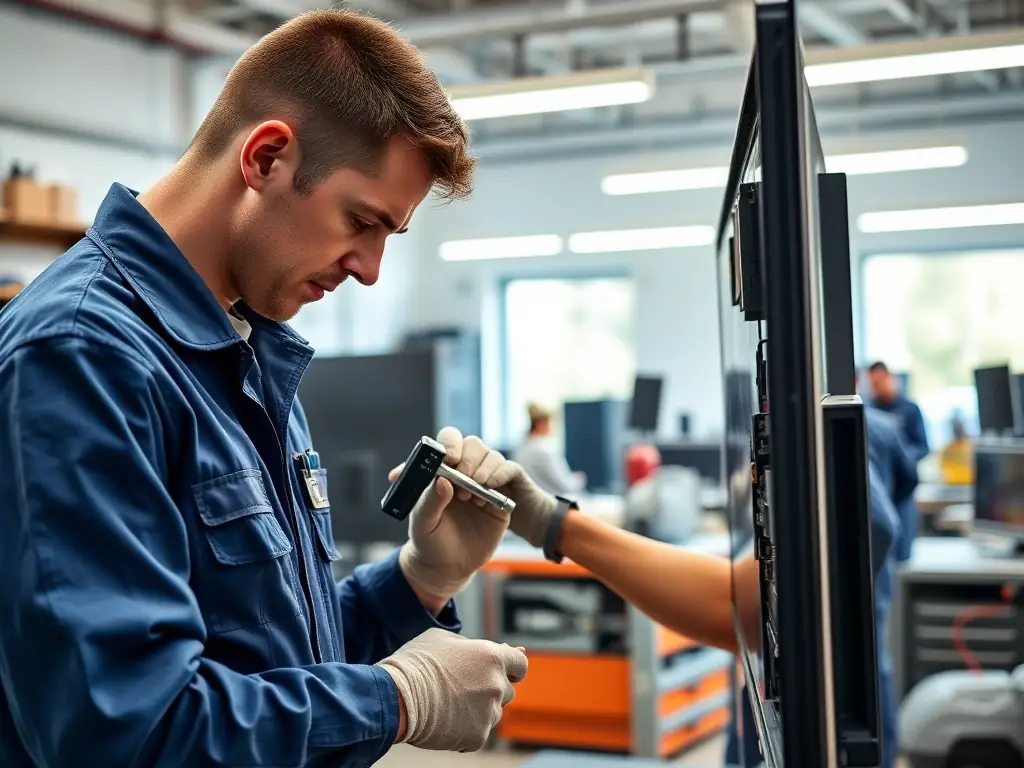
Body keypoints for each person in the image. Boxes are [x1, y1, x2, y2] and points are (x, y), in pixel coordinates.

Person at [0, 11, 528, 766]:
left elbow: (272, 654)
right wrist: (399, 698)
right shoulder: (80, 358)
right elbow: (123, 734)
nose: (370, 269)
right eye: (361, 221)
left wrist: (416, 582)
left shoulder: (248, 349)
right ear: (267, 156)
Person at [867, 362, 929, 561]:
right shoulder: (869, 411)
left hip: (900, 489)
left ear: (889, 379)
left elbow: (923, 446)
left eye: (879, 383)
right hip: (879, 488)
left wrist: (903, 457)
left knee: (901, 551)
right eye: (872, 384)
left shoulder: (909, 409)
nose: (876, 388)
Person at [512, 403, 587, 496]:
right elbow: (564, 485)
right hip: (549, 504)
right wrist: (579, 479)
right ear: (541, 424)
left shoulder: (521, 448)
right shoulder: (544, 451)